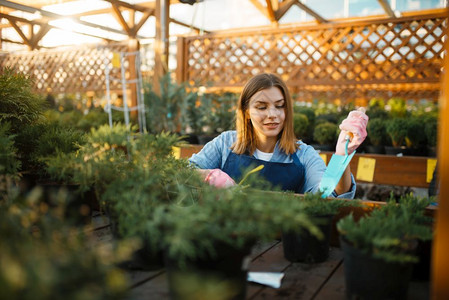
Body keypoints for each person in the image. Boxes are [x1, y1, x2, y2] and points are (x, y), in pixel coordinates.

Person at [189, 73, 368, 198]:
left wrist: (342, 156)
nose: (273, 114)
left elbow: (327, 193)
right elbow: (182, 170)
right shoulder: (225, 143)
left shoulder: (304, 155)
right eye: (262, 107)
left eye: (279, 105)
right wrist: (210, 175)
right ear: (246, 112)